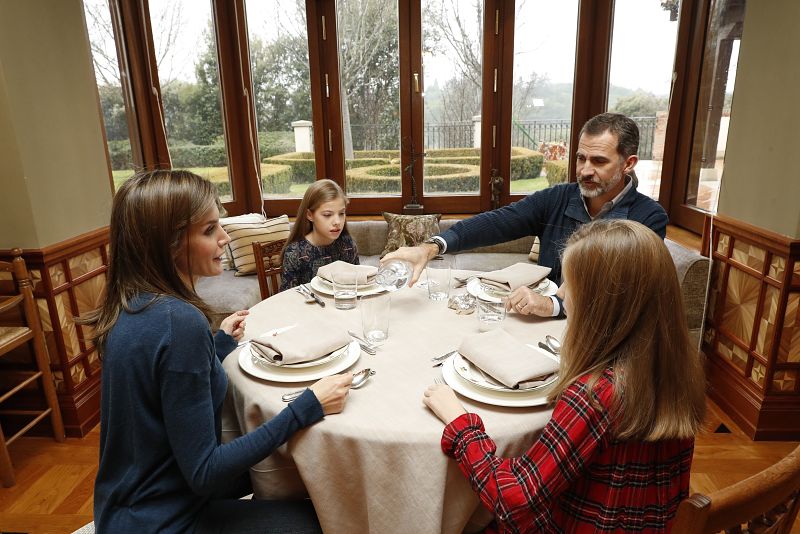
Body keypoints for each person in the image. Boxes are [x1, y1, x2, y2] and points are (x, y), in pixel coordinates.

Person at [86, 170, 353, 533]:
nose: (225, 239)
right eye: (210, 230)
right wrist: (308, 406)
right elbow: (205, 472)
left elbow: (169, 384)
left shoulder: (134, 304)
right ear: (170, 242)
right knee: (328, 517)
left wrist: (218, 344)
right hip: (166, 519)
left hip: (127, 508)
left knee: (292, 476)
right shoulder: (179, 323)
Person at [422, 219, 705, 533]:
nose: (559, 292)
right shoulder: (678, 367)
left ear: (600, 305)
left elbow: (512, 498)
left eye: (570, 284)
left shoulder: (596, 395)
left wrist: (461, 424)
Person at [382, 113, 669, 318]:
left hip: (598, 343)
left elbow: (618, 293)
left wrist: (554, 305)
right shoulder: (557, 197)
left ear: (628, 163)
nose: (584, 170)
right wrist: (431, 246)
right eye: (581, 158)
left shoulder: (648, 219)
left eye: (599, 161)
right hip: (537, 324)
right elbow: (496, 222)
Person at [280, 178, 359, 291]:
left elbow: (358, 286)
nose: (337, 221)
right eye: (327, 215)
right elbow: (287, 299)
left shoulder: (348, 245)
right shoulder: (295, 253)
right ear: (309, 215)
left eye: (341, 213)